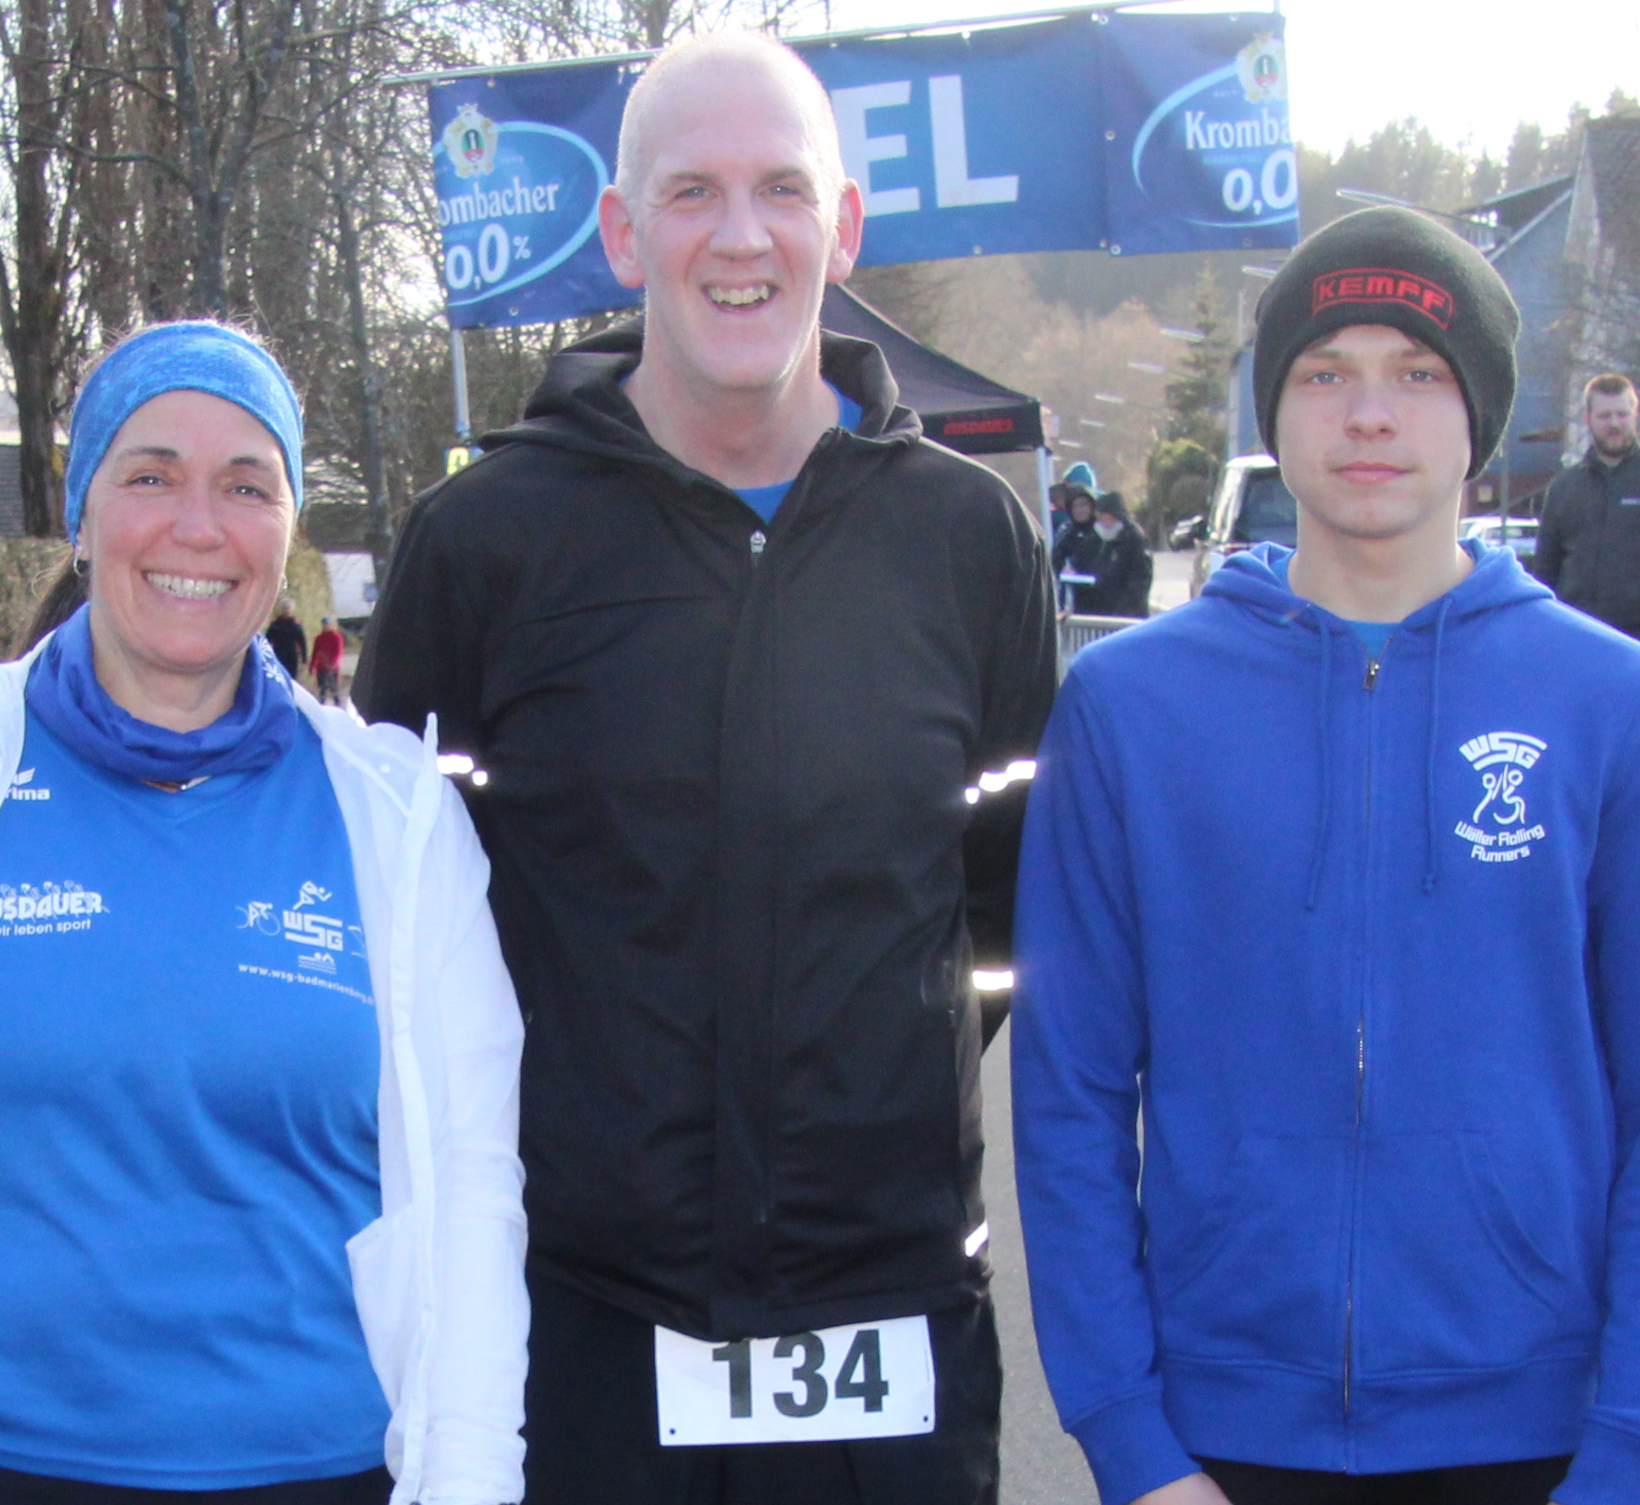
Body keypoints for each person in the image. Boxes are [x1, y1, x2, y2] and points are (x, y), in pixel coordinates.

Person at [352, 31, 1055, 1505]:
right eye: (692, 193)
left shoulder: (970, 540)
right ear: (623, 233)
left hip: (893, 1320)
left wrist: (871, 1078)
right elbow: (402, 921)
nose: (742, 237)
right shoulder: (483, 543)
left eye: (782, 189)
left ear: (842, 226)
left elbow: (1005, 903)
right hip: (584, 1317)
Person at [0, 322, 528, 1505]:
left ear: (286, 533)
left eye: (246, 485)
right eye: (151, 474)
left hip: (315, 1473)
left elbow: (469, 1193)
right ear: (83, 513)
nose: (197, 525)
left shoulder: (395, 817)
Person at [1012, 206, 1640, 1505]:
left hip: (1541, 1436)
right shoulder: (1131, 708)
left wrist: (1633, 1449)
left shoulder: (1622, 709)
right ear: (1275, 412)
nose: (1371, 414)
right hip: (1219, 1438)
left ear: (1482, 415)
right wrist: (1130, 1439)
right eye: (1327, 372)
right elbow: (1069, 1090)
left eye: (1419, 372)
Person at [1533, 373, 1640, 666]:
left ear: (1635, 415)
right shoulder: (1564, 488)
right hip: (1575, 636)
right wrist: (1540, 624)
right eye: (1604, 415)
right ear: (1588, 419)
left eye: (1622, 414)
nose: (1614, 423)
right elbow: (1546, 564)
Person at [1071, 490, 1152, 619]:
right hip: (1098, 613)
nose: (1102, 523)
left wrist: (1123, 612)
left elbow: (1140, 581)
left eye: (1106, 518)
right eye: (1099, 518)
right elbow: (1084, 566)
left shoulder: (1134, 539)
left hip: (1125, 616)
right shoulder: (1094, 539)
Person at [265, 600, 308, 682]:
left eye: (288, 609)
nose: (286, 611)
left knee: (291, 680)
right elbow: (266, 642)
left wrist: (304, 660)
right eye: (285, 609)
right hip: (278, 655)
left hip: (291, 657)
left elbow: (302, 643)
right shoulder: (275, 625)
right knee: (278, 678)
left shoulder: (295, 626)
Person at [311, 615, 346, 705]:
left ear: (331, 625)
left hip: (333, 668)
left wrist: (333, 663)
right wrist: (312, 666)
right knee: (322, 690)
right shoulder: (319, 638)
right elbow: (315, 652)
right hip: (321, 667)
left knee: (334, 689)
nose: (325, 626)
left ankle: (338, 706)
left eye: (327, 624)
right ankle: (322, 706)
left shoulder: (336, 637)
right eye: (324, 624)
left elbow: (338, 651)